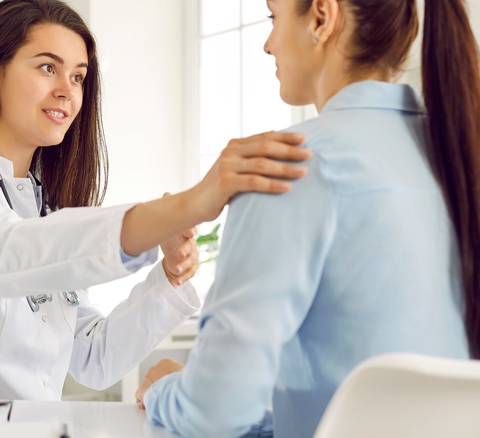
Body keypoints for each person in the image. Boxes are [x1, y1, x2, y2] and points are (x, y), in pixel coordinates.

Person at [0, 0, 310, 400]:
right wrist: (187, 204)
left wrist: (168, 280)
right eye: (48, 68)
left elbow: (93, 358)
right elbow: (1, 256)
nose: (68, 90)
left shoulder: (41, 207)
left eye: (78, 76)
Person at [136, 0, 480, 436]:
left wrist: (165, 389)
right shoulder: (459, 156)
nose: (267, 44)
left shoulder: (286, 167)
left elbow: (214, 414)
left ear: (321, 17)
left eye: (273, 17)